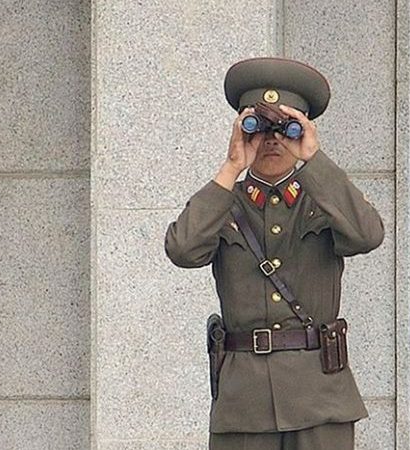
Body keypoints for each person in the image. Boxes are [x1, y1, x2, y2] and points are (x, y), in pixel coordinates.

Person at [164, 57, 384, 449]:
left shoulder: (321, 201)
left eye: (284, 128)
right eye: (261, 129)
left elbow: (368, 235)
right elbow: (182, 249)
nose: (272, 140)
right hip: (244, 405)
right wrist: (232, 166)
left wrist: (313, 159)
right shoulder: (224, 206)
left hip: (319, 401)